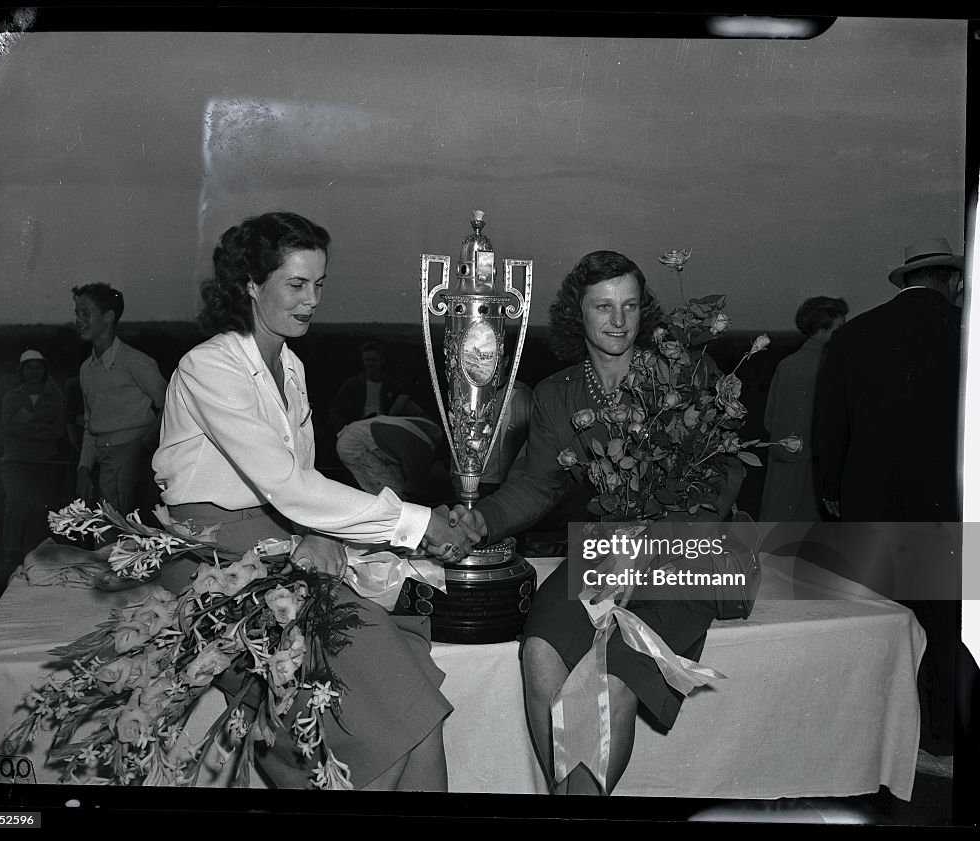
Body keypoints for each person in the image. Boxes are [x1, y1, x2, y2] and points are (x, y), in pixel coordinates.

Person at [152, 211, 477, 791]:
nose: (311, 301)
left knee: (420, 718)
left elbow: (299, 491)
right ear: (250, 285)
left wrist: (321, 534)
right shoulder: (210, 365)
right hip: (215, 557)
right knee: (391, 719)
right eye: (296, 285)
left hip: (281, 544)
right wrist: (415, 522)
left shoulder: (292, 366)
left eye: (318, 285)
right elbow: (289, 486)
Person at [449, 251, 742, 795]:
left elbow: (725, 478)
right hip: (603, 552)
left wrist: (654, 546)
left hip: (690, 552)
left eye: (630, 306)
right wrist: (479, 519)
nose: (619, 321)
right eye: (603, 307)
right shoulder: (559, 393)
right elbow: (537, 484)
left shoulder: (690, 374)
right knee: (539, 653)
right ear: (576, 316)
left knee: (616, 672)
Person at [816, 236, 964, 761]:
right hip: (946, 504)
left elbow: (830, 424)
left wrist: (830, 489)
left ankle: (879, 736)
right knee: (946, 622)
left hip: (868, 501)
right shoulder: (966, 333)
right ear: (950, 280)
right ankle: (942, 739)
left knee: (879, 618)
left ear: (905, 280)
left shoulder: (854, 334)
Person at [73, 282, 167, 516]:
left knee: (137, 537)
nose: (79, 321)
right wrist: (83, 468)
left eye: (86, 313)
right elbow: (89, 425)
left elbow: (171, 407)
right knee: (106, 539)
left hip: (139, 463)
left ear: (108, 316)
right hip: (104, 465)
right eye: (77, 313)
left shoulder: (136, 362)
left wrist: (142, 449)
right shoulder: (86, 369)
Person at [759, 296, 848, 522]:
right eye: (840, 327)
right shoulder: (834, 365)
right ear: (822, 330)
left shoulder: (786, 364)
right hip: (815, 470)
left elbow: (769, 420)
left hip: (781, 468)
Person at [331, 341, 442, 502]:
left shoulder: (392, 385)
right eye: (366, 360)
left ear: (382, 361)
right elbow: (336, 409)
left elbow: (403, 407)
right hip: (360, 432)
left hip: (384, 435)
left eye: (373, 360)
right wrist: (342, 430)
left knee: (391, 483)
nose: (370, 364)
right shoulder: (353, 384)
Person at [0, 350, 65, 567]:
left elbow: (57, 430)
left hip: (45, 460)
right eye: (29, 367)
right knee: (16, 503)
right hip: (16, 461)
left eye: (38, 367)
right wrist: (41, 427)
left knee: (41, 506)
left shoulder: (54, 397)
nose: (34, 372)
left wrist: (28, 427)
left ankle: (36, 552)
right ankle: (11, 552)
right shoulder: (12, 397)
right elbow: (10, 426)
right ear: (22, 371)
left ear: (44, 370)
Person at [477, 348, 532, 498]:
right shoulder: (473, 393)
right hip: (474, 481)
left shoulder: (520, 393)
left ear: (506, 361)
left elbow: (531, 442)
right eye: (484, 358)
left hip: (506, 484)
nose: (489, 364)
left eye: (494, 358)